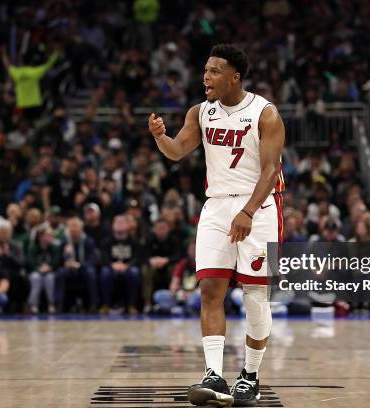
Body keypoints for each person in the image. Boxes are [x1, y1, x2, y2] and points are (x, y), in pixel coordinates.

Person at [148, 44, 285, 407]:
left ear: (234, 77)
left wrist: (249, 212)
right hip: (216, 206)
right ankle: (214, 375)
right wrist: (161, 137)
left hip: (260, 207)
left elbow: (271, 172)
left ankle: (250, 377)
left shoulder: (265, 112)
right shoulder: (201, 112)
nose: (205, 77)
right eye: (205, 70)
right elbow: (178, 151)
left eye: (214, 71)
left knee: (255, 296)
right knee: (210, 289)